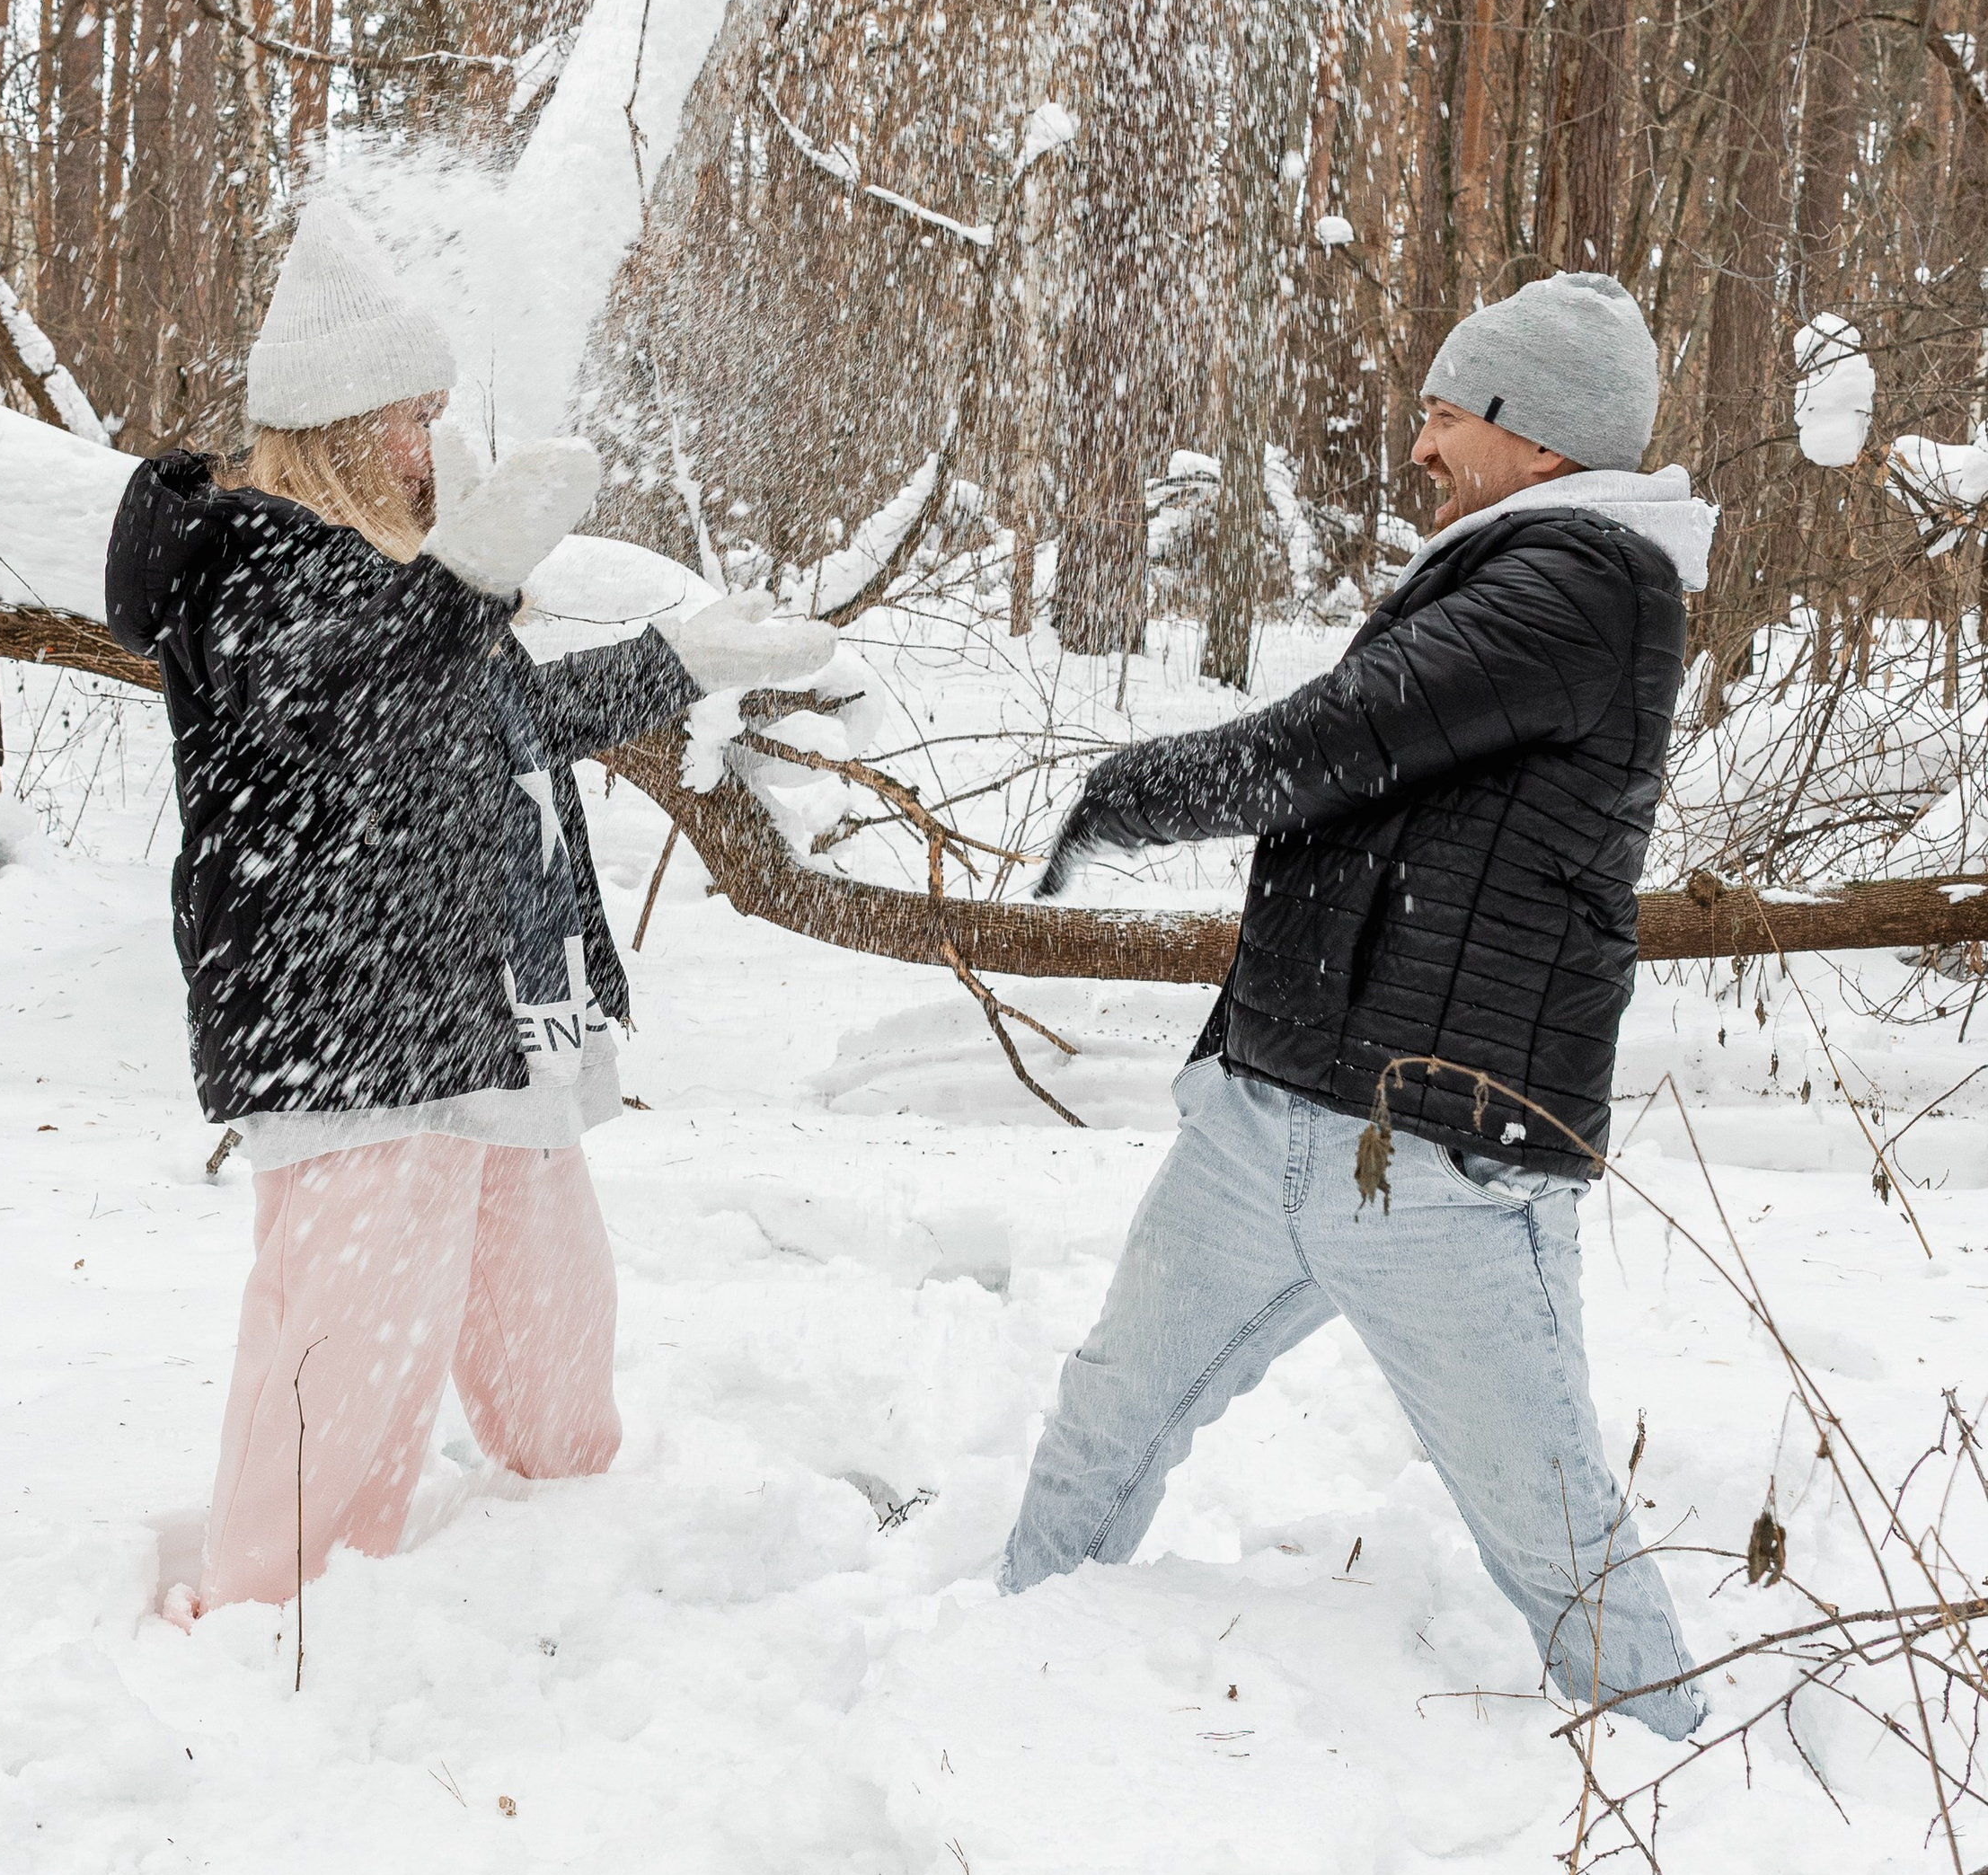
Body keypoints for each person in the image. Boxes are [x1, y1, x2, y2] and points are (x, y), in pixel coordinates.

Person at [1008, 271, 1715, 1739]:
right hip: (1276, 1111)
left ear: (1539, 436)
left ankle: (1671, 1784)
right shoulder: (1516, 571)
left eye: (1448, 417)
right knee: (1110, 1412)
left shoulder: (1593, 580)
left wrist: (1128, 795)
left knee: (1550, 1524)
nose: (1421, 450)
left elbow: (1341, 742)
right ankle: (995, 1670)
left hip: (1437, 1156)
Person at [106, 203, 836, 1617]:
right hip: (355, 1025)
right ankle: (273, 1626)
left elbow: (498, 723)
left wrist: (674, 661)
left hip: (484, 1011)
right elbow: (346, 686)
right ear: (334, 425)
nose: (430, 444)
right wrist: (466, 582)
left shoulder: (402, 581)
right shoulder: (248, 562)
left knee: (555, 1344)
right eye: (410, 415)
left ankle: (572, 1560)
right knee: (350, 1359)